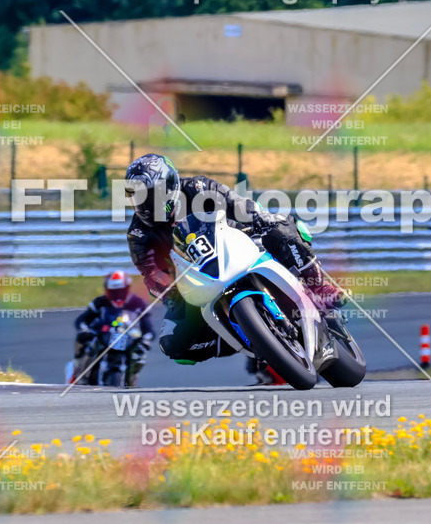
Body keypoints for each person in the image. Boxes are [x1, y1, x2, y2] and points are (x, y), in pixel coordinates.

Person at [122, 153, 347, 366]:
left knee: (284, 227)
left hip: (237, 242)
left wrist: (257, 217)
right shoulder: (138, 234)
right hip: (195, 282)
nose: (142, 203)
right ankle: (247, 339)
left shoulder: (197, 188)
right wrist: (168, 290)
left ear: (167, 187)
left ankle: (318, 286)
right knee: (171, 345)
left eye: (148, 195)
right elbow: (150, 272)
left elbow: (234, 201)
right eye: (136, 196)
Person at [72, 270, 154, 386]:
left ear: (127, 288)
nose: (118, 295)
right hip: (104, 334)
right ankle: (78, 370)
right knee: (85, 342)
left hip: (129, 336)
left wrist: (146, 338)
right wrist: (84, 330)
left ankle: (132, 379)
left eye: (121, 291)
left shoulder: (138, 303)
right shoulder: (100, 302)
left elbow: (148, 328)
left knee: (140, 354)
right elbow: (82, 320)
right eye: (114, 292)